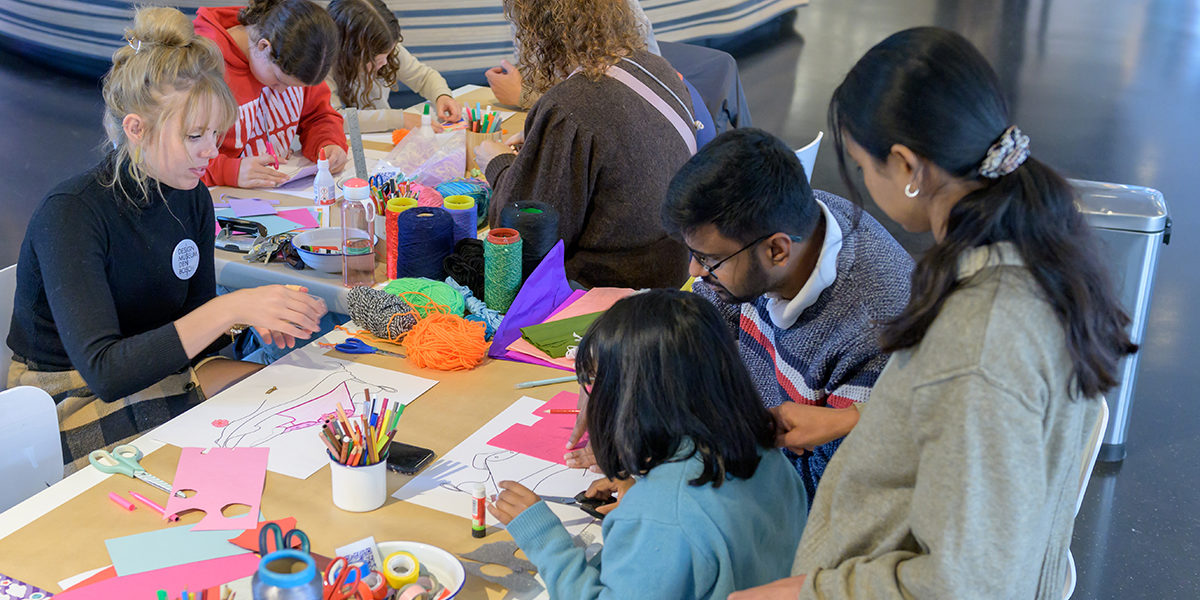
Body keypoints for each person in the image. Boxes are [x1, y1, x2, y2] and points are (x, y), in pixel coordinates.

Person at [731, 27, 1137, 599]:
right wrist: (853, 421)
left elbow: (962, 584)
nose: (866, 187)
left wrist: (804, 595)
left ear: (906, 166)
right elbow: (979, 432)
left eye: (863, 167)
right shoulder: (1029, 252)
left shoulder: (981, 335)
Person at [5, 6, 329, 472]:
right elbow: (106, 372)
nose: (210, 151)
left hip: (157, 373)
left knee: (283, 398)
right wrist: (229, 310)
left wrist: (244, 324)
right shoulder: (72, 214)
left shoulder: (191, 196)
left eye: (217, 134)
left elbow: (194, 336)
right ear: (136, 129)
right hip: (61, 402)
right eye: (195, 135)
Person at [488, 289, 806, 599]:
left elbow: (673, 524)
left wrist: (545, 540)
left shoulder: (664, 515)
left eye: (596, 380)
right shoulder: (766, 453)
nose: (591, 395)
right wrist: (645, 482)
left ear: (634, 397)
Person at [653, 127, 913, 501]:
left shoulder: (873, 330)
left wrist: (668, 480)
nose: (694, 271)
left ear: (777, 250)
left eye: (709, 259)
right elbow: (699, 327)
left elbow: (820, 498)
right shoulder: (782, 222)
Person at [473, 0, 696, 289]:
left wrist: (498, 163)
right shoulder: (658, 69)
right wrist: (544, 145)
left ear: (539, 29)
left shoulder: (568, 109)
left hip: (611, 296)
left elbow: (525, 235)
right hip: (676, 273)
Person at [194, 0, 348, 188]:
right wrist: (228, 171)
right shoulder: (203, 67)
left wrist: (328, 143)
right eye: (278, 80)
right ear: (263, 47)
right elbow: (174, 157)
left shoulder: (297, 57)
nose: (282, 90)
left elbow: (318, 115)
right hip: (220, 200)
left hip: (274, 193)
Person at [484, 0, 660, 109]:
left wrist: (524, 96)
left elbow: (640, 99)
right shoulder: (525, 7)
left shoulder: (616, 10)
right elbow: (540, 75)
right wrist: (518, 83)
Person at [325, 0, 462, 132]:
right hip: (345, 146)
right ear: (348, 50)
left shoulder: (386, 50)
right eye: (376, 59)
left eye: (388, 54)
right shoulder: (323, 67)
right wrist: (399, 119)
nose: (384, 62)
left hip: (384, 139)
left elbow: (424, 77)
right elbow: (336, 118)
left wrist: (442, 96)